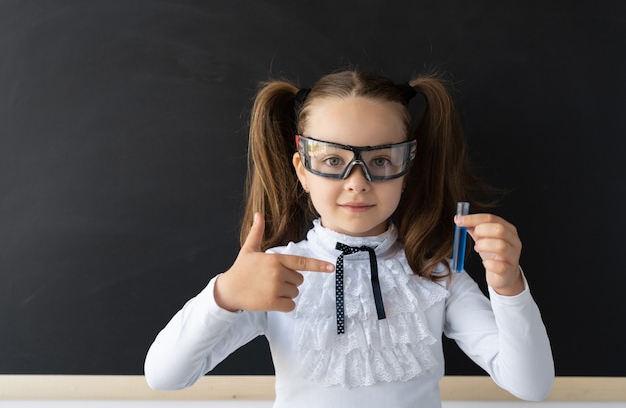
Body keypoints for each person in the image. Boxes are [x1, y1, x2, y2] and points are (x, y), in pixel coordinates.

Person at [144, 69, 554, 407]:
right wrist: (224, 295)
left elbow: (531, 386)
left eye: (379, 160)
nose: (357, 183)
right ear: (302, 169)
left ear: (407, 167)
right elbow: (164, 376)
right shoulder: (275, 273)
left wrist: (509, 287)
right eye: (333, 161)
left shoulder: (435, 274)